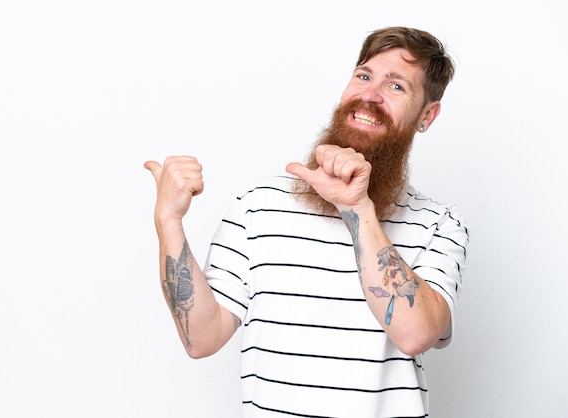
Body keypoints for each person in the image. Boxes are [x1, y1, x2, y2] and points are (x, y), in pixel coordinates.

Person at [145, 26, 469, 417]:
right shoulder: (258, 207)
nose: (370, 95)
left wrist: (357, 208)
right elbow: (201, 338)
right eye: (364, 76)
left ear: (427, 116)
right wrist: (168, 220)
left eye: (396, 86)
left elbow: (415, 334)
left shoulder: (440, 224)